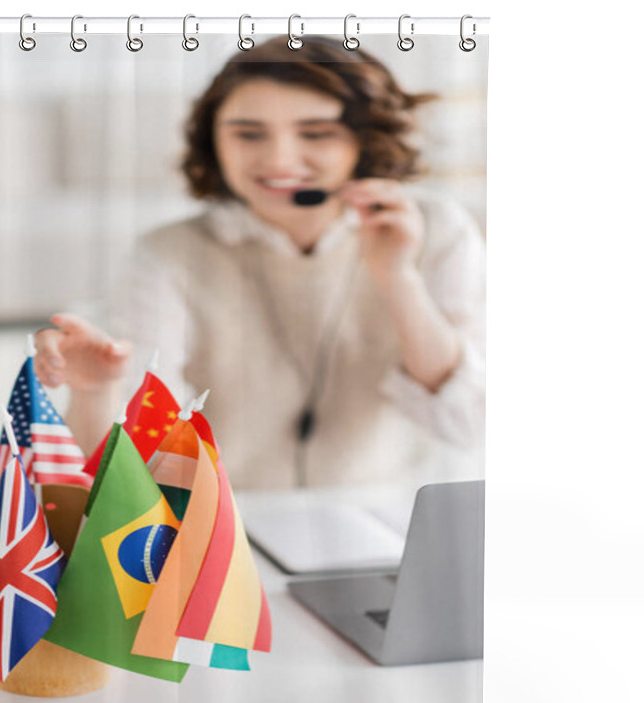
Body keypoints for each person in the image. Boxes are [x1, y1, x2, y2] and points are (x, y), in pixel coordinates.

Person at [34, 36, 485, 490]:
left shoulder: (437, 228)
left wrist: (397, 275)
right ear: (214, 141)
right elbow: (127, 469)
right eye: (248, 134)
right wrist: (95, 392)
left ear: (365, 142)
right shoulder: (167, 254)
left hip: (385, 516)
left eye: (316, 133)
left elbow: (466, 423)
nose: (278, 159)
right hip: (222, 529)